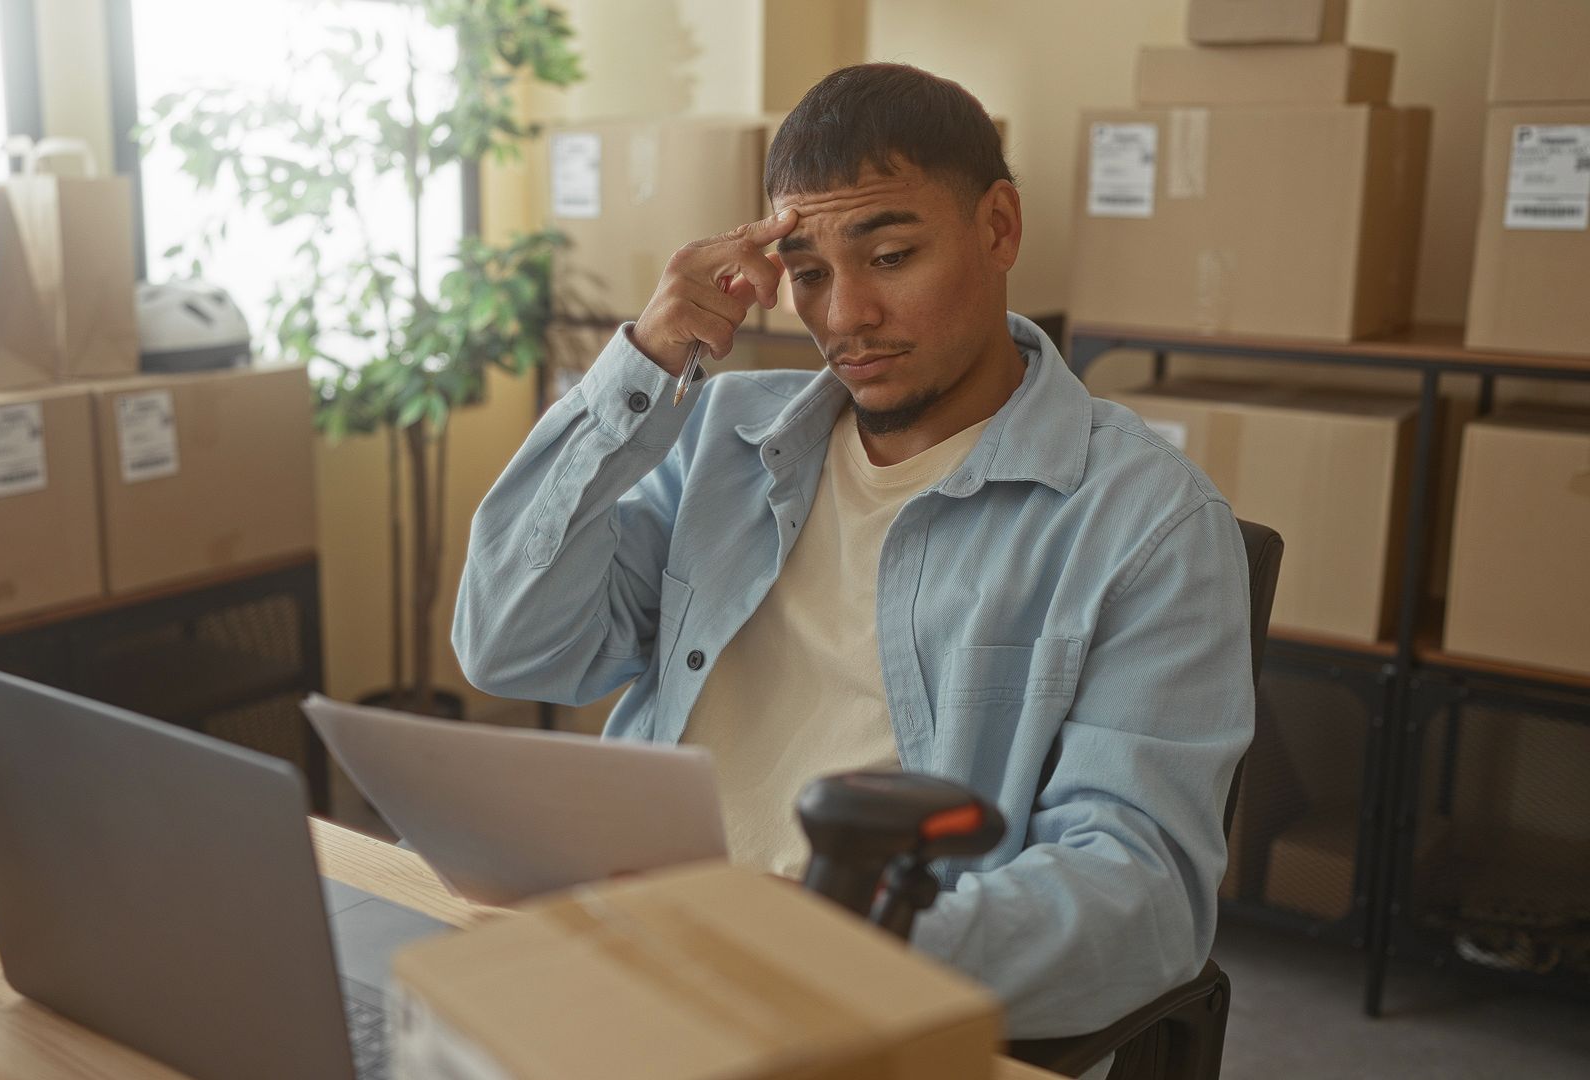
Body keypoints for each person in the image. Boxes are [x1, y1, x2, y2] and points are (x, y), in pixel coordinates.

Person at [452, 62, 1253, 1042]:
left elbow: (1142, 899)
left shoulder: (1144, 522)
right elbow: (509, 647)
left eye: (890, 257)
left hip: (855, 1013)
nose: (843, 317)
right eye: (812, 274)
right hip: (629, 955)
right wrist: (646, 365)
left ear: (998, 228)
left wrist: (840, 948)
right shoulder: (723, 439)